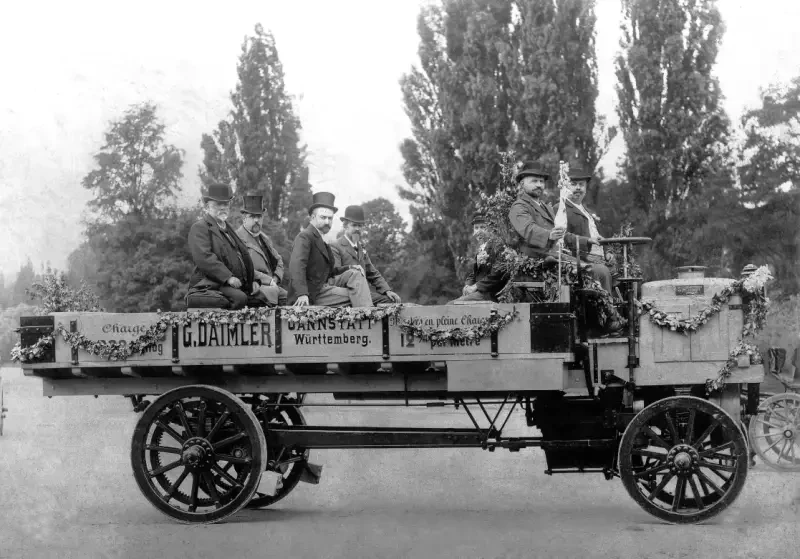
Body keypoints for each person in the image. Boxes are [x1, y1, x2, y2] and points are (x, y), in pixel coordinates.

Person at [508, 161, 612, 293]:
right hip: (538, 262)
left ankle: (605, 304)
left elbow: (563, 235)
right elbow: (528, 229)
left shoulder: (546, 207)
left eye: (541, 181)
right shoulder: (519, 207)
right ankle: (604, 305)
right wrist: (549, 235)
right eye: (534, 181)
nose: (539, 185)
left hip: (558, 258)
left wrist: (587, 240)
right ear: (522, 183)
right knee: (599, 271)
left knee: (603, 270)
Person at [187, 183, 267, 309]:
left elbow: (242, 258)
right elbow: (204, 258)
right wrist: (228, 278)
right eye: (218, 204)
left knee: (262, 300)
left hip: (235, 285)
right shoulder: (200, 228)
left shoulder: (228, 229)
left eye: (226, 204)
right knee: (240, 299)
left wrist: (253, 281)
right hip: (210, 284)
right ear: (207, 206)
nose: (223, 207)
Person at [287, 192, 373, 307]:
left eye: (330, 218)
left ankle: (367, 311)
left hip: (324, 285)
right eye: (323, 217)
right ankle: (369, 315)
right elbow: (296, 266)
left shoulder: (323, 239)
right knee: (357, 295)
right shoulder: (305, 236)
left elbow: (331, 272)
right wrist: (302, 293)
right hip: (311, 293)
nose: (327, 222)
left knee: (356, 274)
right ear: (312, 218)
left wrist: (350, 267)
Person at [331, 205, 401, 305]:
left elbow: (372, 273)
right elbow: (336, 273)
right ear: (345, 226)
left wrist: (387, 290)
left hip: (363, 293)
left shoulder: (361, 248)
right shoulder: (336, 246)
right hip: (346, 294)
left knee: (391, 300)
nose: (357, 229)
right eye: (354, 225)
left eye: (360, 226)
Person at [235, 194, 288, 307]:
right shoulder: (237, 238)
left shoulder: (264, 238)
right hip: (253, 286)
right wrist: (268, 280)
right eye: (252, 216)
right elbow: (242, 268)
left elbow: (279, 260)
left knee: (294, 299)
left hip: (271, 284)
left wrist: (275, 278)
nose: (256, 220)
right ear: (244, 218)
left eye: (259, 216)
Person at [448, 212, 508, 304]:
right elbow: (475, 273)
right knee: (450, 305)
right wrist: (467, 286)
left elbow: (496, 275)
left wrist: (476, 286)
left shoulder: (498, 246)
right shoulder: (481, 249)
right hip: (479, 293)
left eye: (482, 227)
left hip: (490, 294)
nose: (479, 231)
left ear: (489, 229)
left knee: (451, 305)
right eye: (476, 228)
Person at [565, 167, 614, 269]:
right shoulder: (561, 208)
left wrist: (607, 251)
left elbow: (597, 236)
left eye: (581, 185)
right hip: (579, 263)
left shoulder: (588, 211)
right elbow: (562, 236)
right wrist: (587, 240)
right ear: (565, 187)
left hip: (600, 261)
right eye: (573, 184)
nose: (578, 188)